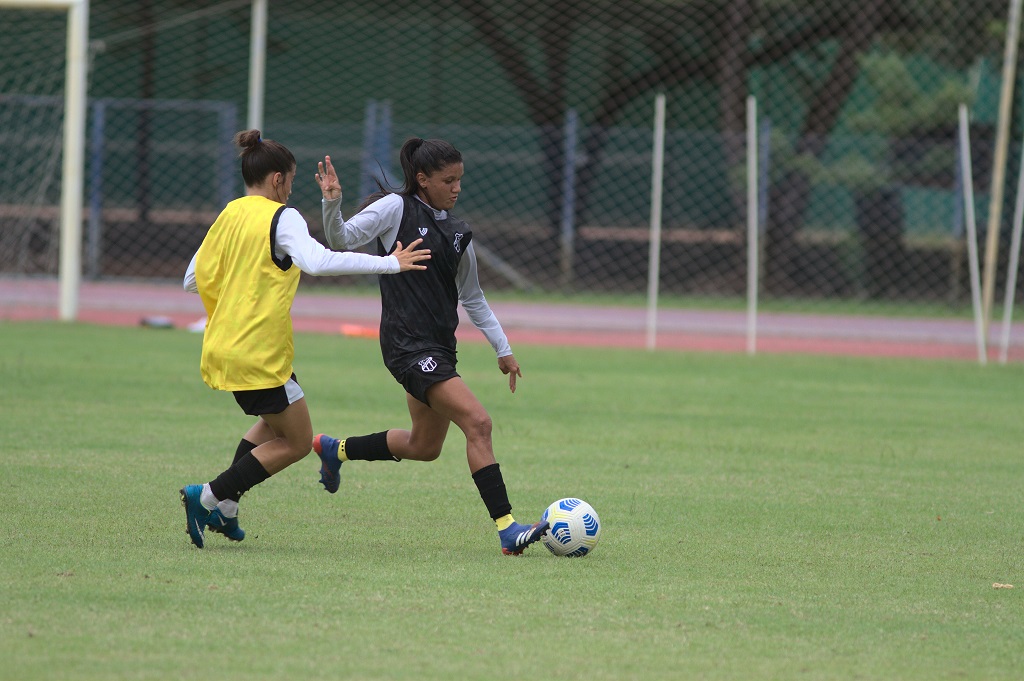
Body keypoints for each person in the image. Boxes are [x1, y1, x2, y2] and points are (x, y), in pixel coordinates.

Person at [179, 129, 430, 549]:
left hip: (225, 345)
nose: (291, 189)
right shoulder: (284, 216)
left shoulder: (230, 214)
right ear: (278, 179)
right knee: (296, 441)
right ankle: (207, 495)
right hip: (257, 349)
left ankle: (226, 508)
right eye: (291, 180)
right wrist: (389, 263)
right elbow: (317, 261)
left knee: (274, 420)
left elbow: (192, 279)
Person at [312, 137, 548, 555]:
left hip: (439, 348)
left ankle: (335, 449)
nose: (457, 188)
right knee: (479, 423)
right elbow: (342, 240)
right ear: (422, 179)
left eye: (460, 180)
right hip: (406, 346)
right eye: (447, 180)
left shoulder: (458, 233)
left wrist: (503, 348)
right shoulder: (396, 209)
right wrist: (333, 202)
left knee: (424, 447)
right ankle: (508, 528)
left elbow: (472, 297)